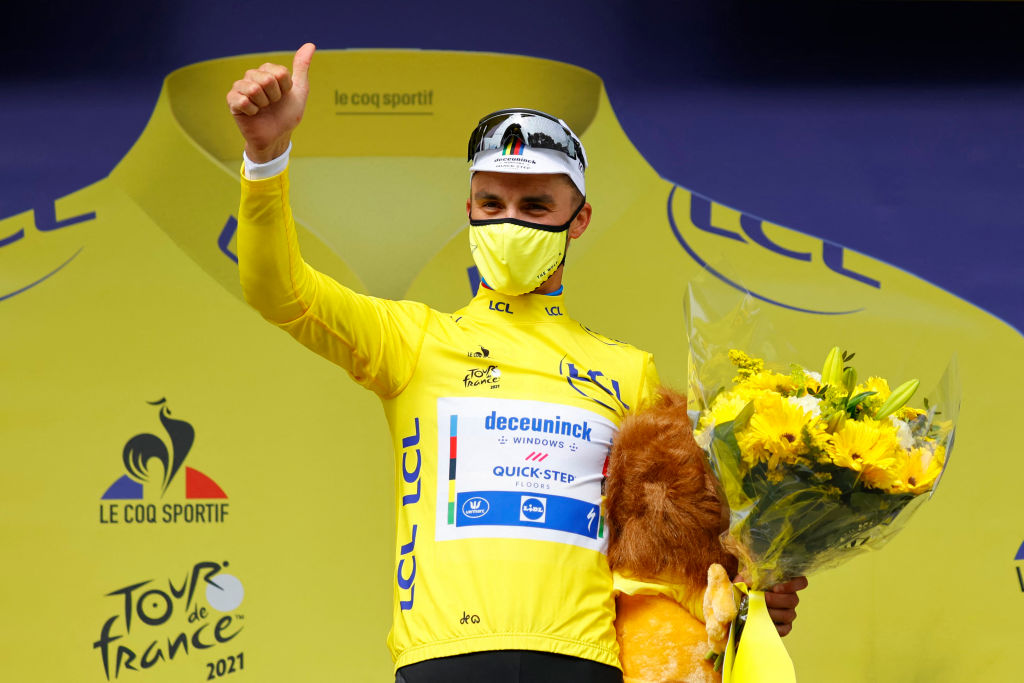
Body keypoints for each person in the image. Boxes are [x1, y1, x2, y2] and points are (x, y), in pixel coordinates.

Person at [227, 42, 806, 683]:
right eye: (493, 204)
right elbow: (276, 288)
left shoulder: (628, 371)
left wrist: (748, 595)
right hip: (444, 658)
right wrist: (265, 156)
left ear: (578, 220)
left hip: (584, 662)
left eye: (535, 208)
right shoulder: (414, 341)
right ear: (469, 211)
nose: (510, 223)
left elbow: (665, 551)